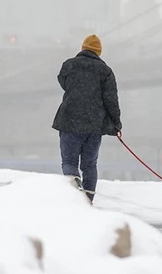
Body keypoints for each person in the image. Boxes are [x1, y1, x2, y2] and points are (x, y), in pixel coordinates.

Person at [52, 34, 122, 203]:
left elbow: (63, 82)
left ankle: (73, 182)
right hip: (94, 125)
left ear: (83, 48)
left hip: (69, 121)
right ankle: (88, 199)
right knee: (90, 165)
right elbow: (111, 100)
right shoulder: (105, 71)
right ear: (99, 51)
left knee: (69, 161)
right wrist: (116, 124)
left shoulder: (69, 65)